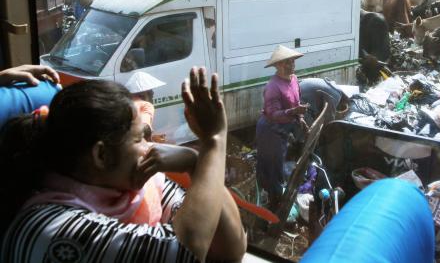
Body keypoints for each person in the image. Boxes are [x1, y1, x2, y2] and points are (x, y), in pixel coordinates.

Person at [0, 67, 247, 262]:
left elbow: (229, 249)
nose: (150, 147)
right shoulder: (50, 227)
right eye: (139, 139)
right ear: (102, 156)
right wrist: (213, 142)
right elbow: (185, 252)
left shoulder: (138, 187)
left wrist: (195, 164)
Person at [255, 45, 309, 209]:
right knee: (273, 167)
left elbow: (297, 101)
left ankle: (269, 195)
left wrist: (300, 117)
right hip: (270, 130)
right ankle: (275, 203)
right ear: (277, 65)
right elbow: (273, 114)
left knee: (275, 164)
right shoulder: (272, 86)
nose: (291, 64)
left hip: (284, 128)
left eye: (292, 61)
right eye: (286, 62)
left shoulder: (293, 79)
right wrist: (294, 111)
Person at [124, 71, 166, 140]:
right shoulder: (146, 105)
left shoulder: (125, 104)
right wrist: (151, 141)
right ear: (143, 94)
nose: (153, 93)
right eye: (150, 91)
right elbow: (144, 129)